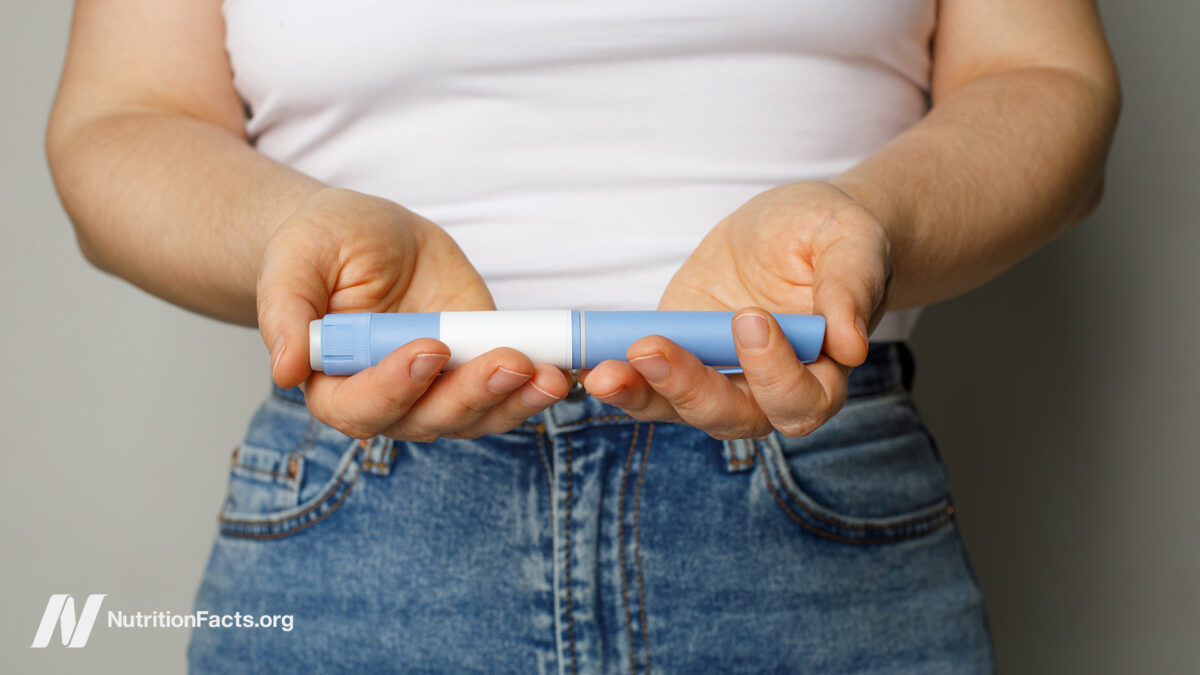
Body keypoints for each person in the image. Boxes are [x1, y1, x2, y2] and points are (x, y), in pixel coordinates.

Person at [47, 0, 1119, 671]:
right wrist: (292, 234)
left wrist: (865, 225)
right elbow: (122, 121)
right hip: (366, 511)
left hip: (811, 489)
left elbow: (1045, 81)